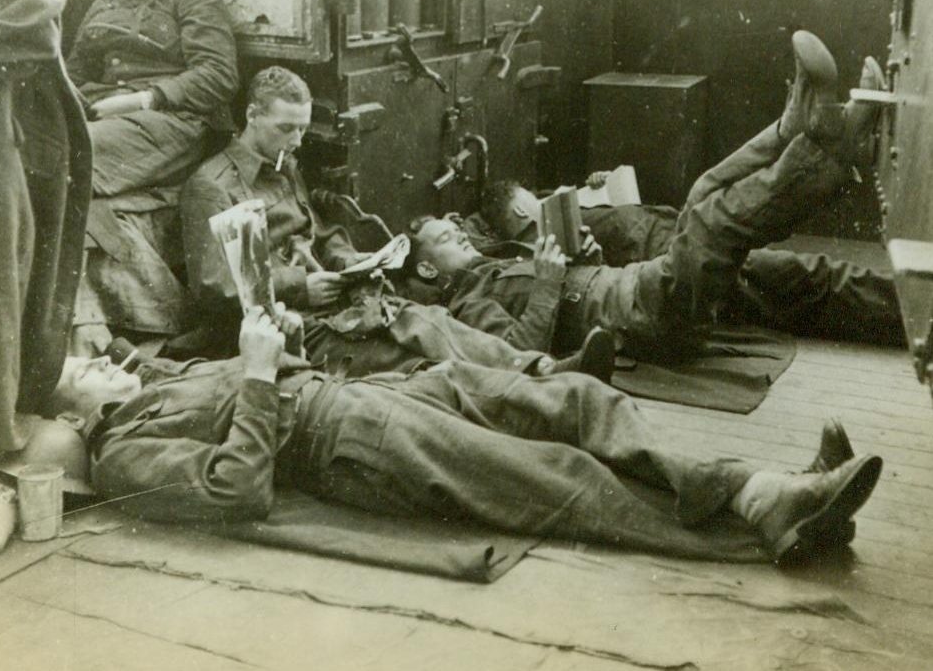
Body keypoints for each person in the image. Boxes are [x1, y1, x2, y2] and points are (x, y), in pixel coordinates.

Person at [48, 307, 883, 564]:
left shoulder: (154, 383)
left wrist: (278, 351)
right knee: (556, 477)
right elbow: (237, 489)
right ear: (72, 417)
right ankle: (770, 505)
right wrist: (262, 376)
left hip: (374, 394)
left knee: (571, 398)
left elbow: (248, 390)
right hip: (353, 442)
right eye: (88, 373)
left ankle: (747, 483)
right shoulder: (122, 455)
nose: (109, 364)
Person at [400, 32, 891, 362]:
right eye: (447, 237)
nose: (461, 234)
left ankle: (798, 129)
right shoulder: (466, 303)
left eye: (455, 227)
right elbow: (517, 353)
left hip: (639, 287)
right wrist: (551, 284)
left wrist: (580, 259)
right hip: (644, 319)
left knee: (705, 193)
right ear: (427, 269)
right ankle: (827, 141)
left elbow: (576, 289)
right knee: (711, 224)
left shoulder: (496, 263)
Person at [179, 65, 616, 381]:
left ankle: (539, 368)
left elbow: (317, 231)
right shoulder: (212, 187)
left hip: (332, 301)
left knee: (425, 320)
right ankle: (541, 377)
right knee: (412, 362)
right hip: (284, 325)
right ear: (252, 116)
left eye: (302, 130)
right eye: (285, 129)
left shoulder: (285, 165)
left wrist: (348, 257)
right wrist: (300, 285)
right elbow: (216, 288)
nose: (296, 142)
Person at [65, 0, 239, 196]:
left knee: (71, 152)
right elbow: (75, 73)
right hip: (108, 114)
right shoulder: (103, 3)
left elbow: (219, 74)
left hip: (174, 121)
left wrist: (144, 100)